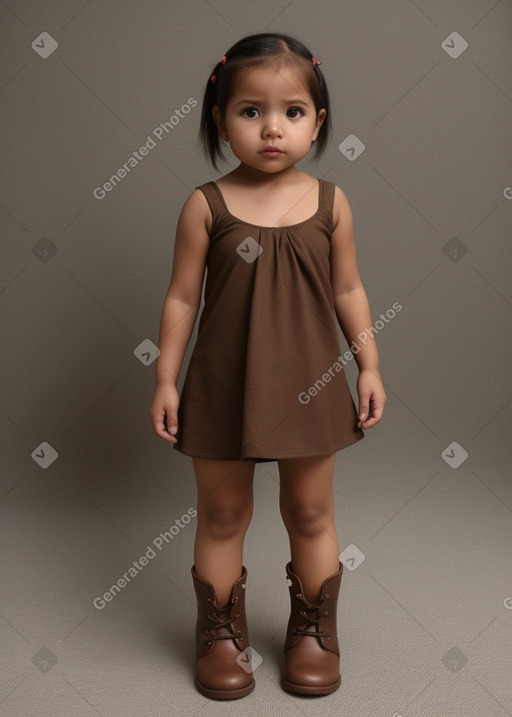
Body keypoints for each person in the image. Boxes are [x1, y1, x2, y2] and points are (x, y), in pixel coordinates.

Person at [150, 32, 386, 700]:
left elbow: (349, 290)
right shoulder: (205, 206)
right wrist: (165, 377)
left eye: (292, 112)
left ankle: (312, 628)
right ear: (220, 120)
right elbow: (180, 297)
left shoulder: (332, 204)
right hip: (224, 386)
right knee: (222, 514)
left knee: (310, 510)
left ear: (318, 121)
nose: (272, 128)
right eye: (250, 111)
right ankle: (220, 633)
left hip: (309, 387)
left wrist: (369, 364)